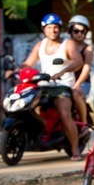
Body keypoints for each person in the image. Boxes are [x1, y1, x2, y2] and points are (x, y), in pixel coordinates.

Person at [14, 13, 84, 161]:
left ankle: (75, 149)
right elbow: (28, 63)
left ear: (60, 29)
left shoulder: (68, 43)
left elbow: (78, 61)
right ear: (44, 29)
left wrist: (63, 71)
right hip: (43, 86)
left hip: (62, 86)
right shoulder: (40, 45)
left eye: (56, 27)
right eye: (49, 27)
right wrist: (14, 71)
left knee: (64, 114)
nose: (53, 30)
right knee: (23, 106)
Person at [54, 15, 93, 137]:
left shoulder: (88, 48)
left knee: (75, 93)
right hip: (65, 81)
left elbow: (86, 67)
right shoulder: (64, 45)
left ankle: (84, 125)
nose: (79, 34)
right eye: (76, 31)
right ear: (70, 31)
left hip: (82, 82)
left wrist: (78, 84)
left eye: (83, 31)